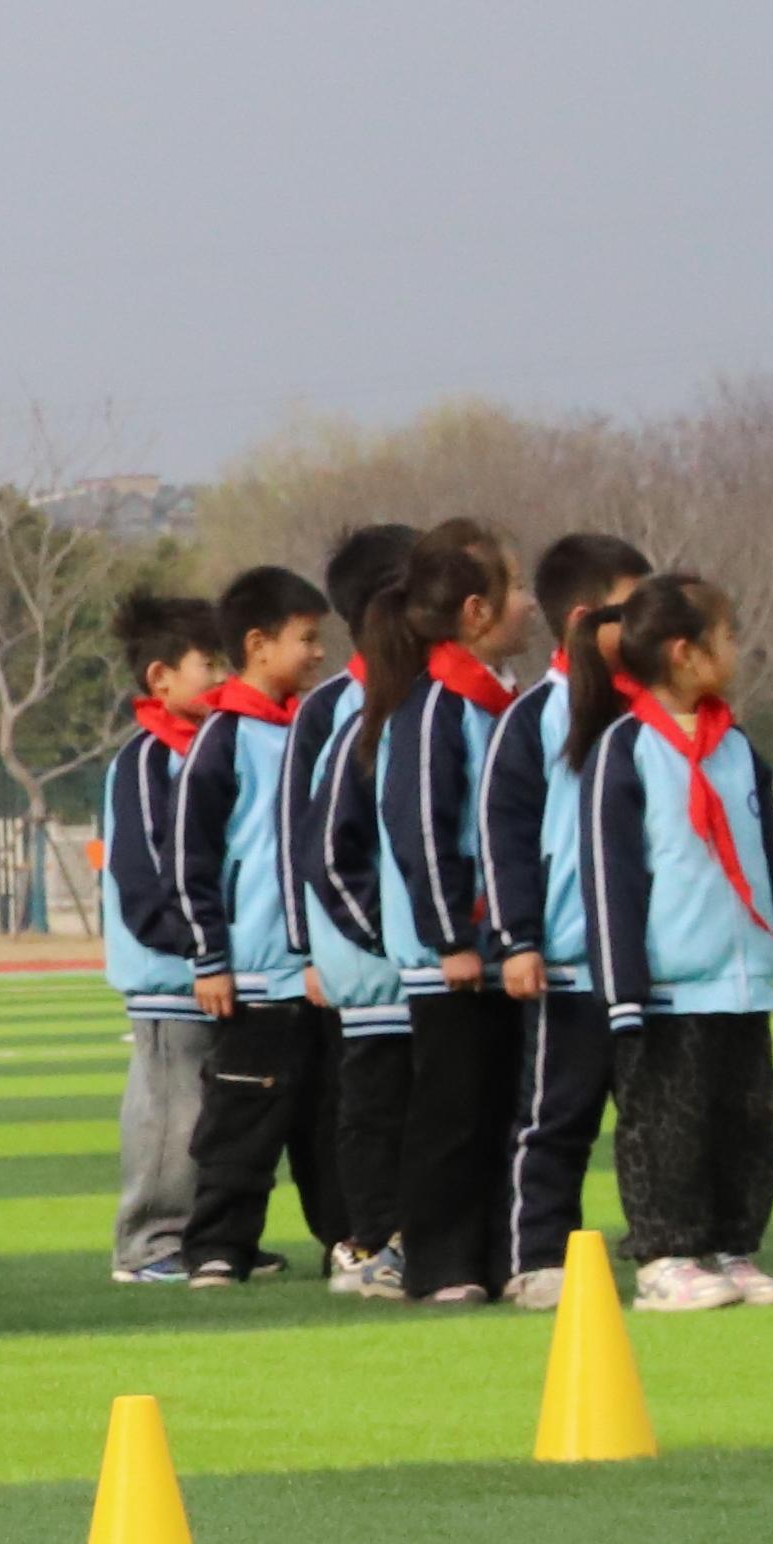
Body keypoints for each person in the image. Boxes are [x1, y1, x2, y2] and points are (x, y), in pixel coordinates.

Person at [589, 572, 773, 1311]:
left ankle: (733, 1245)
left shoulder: (736, 747)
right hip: (669, 987)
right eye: (727, 637)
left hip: (740, 979)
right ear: (684, 652)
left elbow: (767, 857)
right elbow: (611, 875)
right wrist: (622, 987)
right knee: (668, 1126)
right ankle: (665, 1256)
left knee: (744, 1123)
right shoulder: (626, 748)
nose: (737, 649)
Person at [481, 530, 653, 1308]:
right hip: (571, 963)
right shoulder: (535, 718)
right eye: (634, 610)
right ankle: (539, 1256)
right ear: (586, 619)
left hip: (652, 967)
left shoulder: (659, 715)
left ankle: (670, 1246)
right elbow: (505, 838)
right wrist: (519, 939)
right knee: (555, 1120)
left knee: (658, 1122)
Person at [377, 522, 530, 1308]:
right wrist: (450, 938)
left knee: (502, 1110)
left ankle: (496, 1255)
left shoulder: (499, 701)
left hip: (500, 951)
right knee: (452, 1114)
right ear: (476, 612)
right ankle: (440, 1264)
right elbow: (422, 826)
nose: (529, 603)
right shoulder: (437, 705)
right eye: (517, 588)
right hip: (456, 957)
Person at [172, 568, 329, 1283]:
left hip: (317, 975)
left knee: (327, 1119)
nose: (319, 652)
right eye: (307, 638)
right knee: (242, 1113)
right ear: (259, 645)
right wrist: (210, 959)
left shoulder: (311, 726)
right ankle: (217, 1248)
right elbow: (191, 858)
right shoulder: (223, 737)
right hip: (253, 970)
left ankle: (348, 1241)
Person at [293, 522, 422, 1291]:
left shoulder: (442, 698)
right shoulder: (333, 711)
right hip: (366, 958)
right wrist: (307, 950)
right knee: (368, 1100)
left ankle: (424, 1236)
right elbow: (303, 838)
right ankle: (368, 1240)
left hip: (432, 957)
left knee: (432, 1105)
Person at [95, 589, 232, 1283]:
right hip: (167, 973)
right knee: (170, 1114)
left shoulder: (210, 750)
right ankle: (148, 1244)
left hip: (210, 966)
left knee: (210, 1114)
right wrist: (196, 947)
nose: (224, 679)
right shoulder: (149, 760)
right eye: (211, 664)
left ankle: (204, 1236)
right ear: (162, 678)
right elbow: (142, 877)